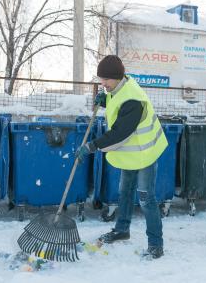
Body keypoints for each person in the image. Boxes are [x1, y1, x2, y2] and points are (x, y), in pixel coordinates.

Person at [75, 55, 168, 259]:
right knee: (124, 190)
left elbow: (119, 132)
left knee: (145, 198)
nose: (103, 84)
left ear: (117, 78)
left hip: (145, 152)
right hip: (132, 153)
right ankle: (122, 230)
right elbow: (118, 103)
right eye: (101, 80)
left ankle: (156, 245)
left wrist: (91, 146)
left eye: (106, 80)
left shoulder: (133, 99)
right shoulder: (120, 87)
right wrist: (106, 100)